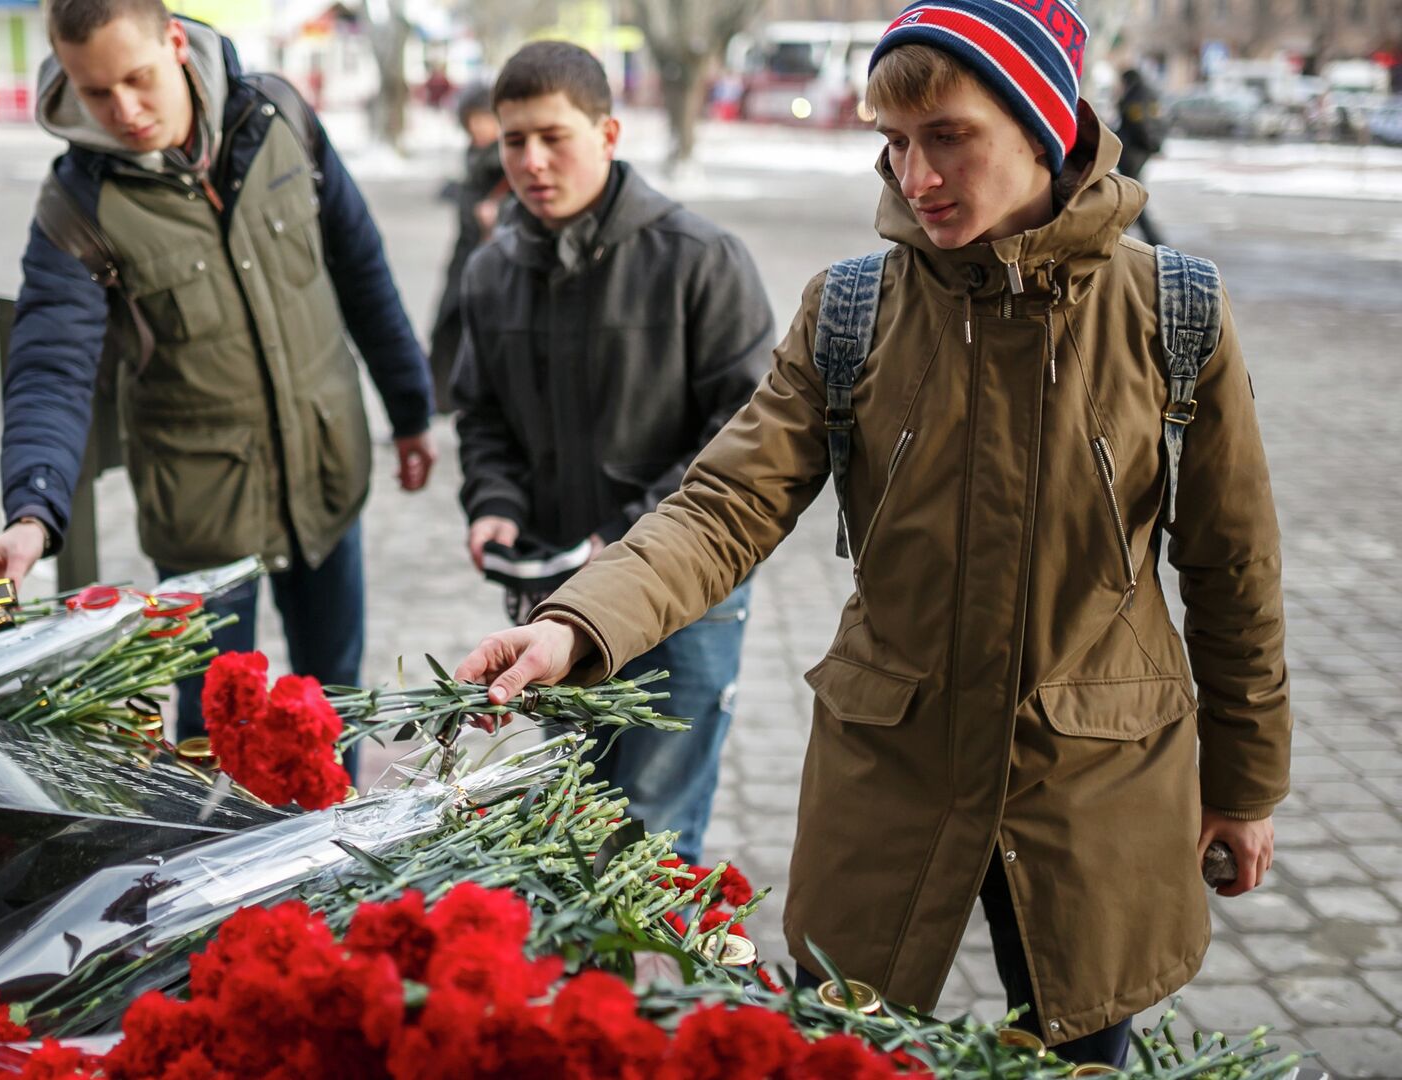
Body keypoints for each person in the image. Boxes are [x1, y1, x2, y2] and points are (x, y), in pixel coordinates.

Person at [455, 0, 1288, 1067]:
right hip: (890, 770)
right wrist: (576, 625)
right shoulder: (849, 312)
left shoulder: (1173, 314)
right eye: (893, 144)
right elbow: (725, 506)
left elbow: (1234, 564)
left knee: (1080, 1049)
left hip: (1097, 780)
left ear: (1042, 127)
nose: (915, 177)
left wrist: (1245, 781)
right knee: (846, 1048)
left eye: (948, 137)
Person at [0, 0, 437, 759]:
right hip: (201, 513)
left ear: (176, 41)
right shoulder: (76, 203)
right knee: (216, 727)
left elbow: (361, 264)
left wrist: (410, 408)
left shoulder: (280, 117)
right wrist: (31, 514)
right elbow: (50, 364)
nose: (123, 110)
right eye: (95, 92)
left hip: (325, 470)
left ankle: (341, 857)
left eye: (138, 79)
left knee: (335, 695)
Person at [452, 42, 774, 865]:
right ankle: (590, 993)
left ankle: (662, 995)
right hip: (557, 602)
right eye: (513, 140)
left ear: (609, 131)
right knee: (576, 825)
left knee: (655, 842)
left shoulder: (701, 260)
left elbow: (743, 435)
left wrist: (627, 537)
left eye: (553, 137)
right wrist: (494, 503)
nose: (530, 160)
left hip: (686, 600)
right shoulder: (490, 271)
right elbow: (481, 415)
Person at [426, 85, 506, 414]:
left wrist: (495, 210)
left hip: (488, 249)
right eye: (473, 120)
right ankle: (439, 395)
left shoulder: (504, 153)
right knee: (448, 321)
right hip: (466, 246)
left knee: (479, 325)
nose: (479, 127)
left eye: (485, 120)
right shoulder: (476, 150)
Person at [1115, 67, 1166, 245]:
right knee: (1132, 193)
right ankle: (1122, 234)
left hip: (1134, 152)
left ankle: (1152, 239)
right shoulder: (1146, 93)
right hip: (1138, 150)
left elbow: (1139, 123)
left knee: (1134, 195)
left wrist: (1148, 144)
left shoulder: (1137, 95)